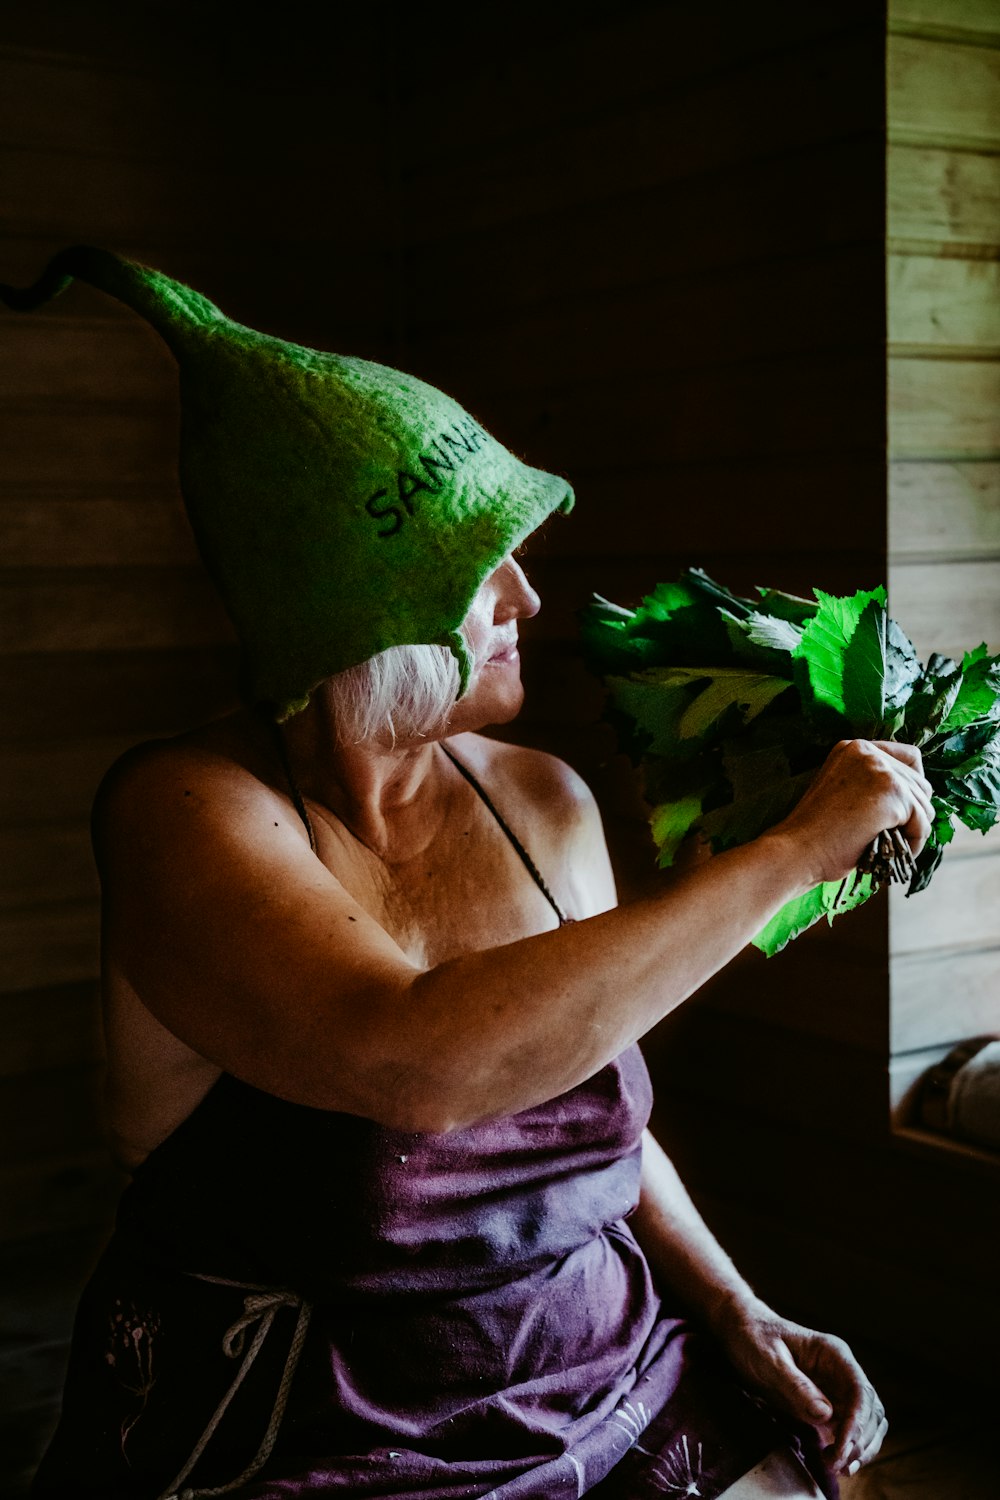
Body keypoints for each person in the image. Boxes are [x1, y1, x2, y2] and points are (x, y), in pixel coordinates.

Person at [3, 251, 931, 1500]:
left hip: (596, 1367)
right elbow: (416, 1065)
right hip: (305, 1417)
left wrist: (730, 1306)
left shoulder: (542, 798)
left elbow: (591, 1099)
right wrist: (786, 856)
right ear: (356, 615)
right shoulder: (186, 810)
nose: (527, 597)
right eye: (480, 572)